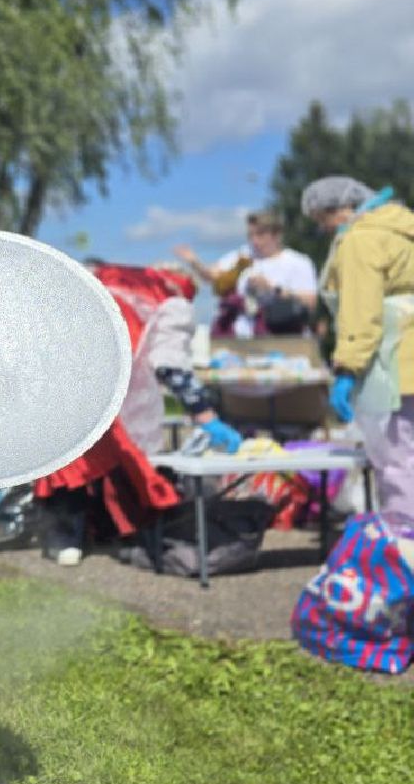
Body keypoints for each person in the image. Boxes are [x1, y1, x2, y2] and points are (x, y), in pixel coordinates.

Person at [34, 262, 244, 565]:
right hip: (110, 384)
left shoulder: (110, 278)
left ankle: (69, 535)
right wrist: (206, 417)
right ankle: (106, 534)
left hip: (58, 372)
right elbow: (170, 366)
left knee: (70, 453)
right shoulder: (174, 303)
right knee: (115, 456)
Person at [302, 176, 414, 534]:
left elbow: (360, 310)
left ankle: (405, 551)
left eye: (323, 221)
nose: (325, 229)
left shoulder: (361, 239)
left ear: (340, 210)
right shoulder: (403, 231)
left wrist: (348, 366)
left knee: (399, 461)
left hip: (394, 364)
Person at [175, 211, 317, 338]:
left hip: (283, 336)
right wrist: (194, 262)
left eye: (260, 235)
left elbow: (310, 302)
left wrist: (272, 288)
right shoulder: (242, 256)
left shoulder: (298, 262)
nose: (254, 241)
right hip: (242, 336)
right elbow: (212, 276)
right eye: (251, 235)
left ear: (276, 235)